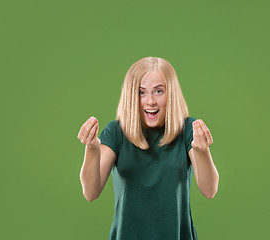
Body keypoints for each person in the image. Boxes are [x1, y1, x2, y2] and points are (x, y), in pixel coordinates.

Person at [77, 56, 219, 240]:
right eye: (141, 92)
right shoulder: (115, 132)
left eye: (159, 91)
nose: (150, 101)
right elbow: (90, 192)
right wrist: (92, 149)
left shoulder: (187, 130)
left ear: (171, 94)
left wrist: (202, 151)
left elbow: (209, 190)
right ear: (131, 96)